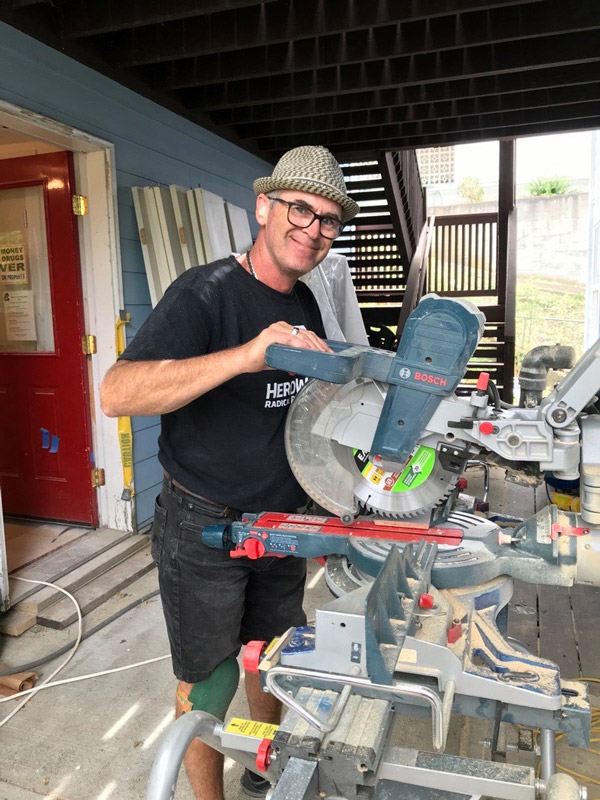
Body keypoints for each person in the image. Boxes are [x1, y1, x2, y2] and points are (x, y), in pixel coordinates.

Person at [100, 145, 359, 800]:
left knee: (271, 664)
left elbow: (303, 417)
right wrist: (245, 356)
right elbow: (117, 393)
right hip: (204, 527)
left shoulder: (305, 302)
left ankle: (261, 776)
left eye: (329, 219)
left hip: (281, 524)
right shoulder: (203, 292)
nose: (314, 228)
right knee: (208, 680)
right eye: (301, 208)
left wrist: (334, 493)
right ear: (265, 206)